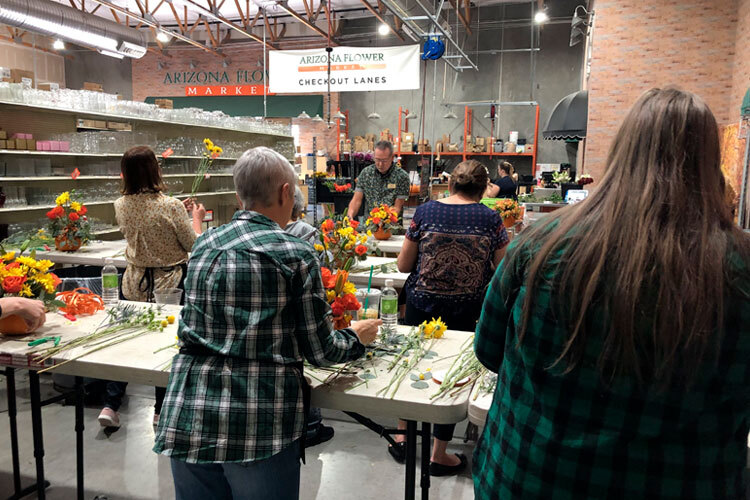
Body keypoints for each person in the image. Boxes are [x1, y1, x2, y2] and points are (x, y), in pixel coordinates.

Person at [473, 88, 750, 499]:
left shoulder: (542, 244)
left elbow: (489, 350)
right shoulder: (739, 270)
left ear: (622, 151)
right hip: (682, 481)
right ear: (710, 164)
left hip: (531, 475)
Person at [153, 147, 381, 499]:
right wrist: (357, 338)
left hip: (189, 412)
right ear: (286, 192)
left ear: (238, 194)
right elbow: (321, 352)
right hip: (258, 423)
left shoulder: (204, 245)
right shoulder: (295, 252)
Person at [389, 160, 509, 475]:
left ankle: (402, 435)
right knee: (450, 377)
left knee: (412, 364)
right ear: (483, 189)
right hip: (465, 310)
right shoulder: (491, 218)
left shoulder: (426, 212)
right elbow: (504, 270)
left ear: (451, 185)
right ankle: (438, 454)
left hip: (421, 305)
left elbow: (403, 265)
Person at [98, 146, 205, 429]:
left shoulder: (120, 205)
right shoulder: (169, 205)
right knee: (164, 346)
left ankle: (110, 405)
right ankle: (160, 410)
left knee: (124, 342)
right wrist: (194, 218)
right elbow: (193, 244)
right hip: (168, 284)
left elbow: (146, 221)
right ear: (154, 169)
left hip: (133, 281)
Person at [284, 185, 333, 447]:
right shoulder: (306, 236)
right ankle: (312, 426)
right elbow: (327, 266)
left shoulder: (214, 242)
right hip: (304, 314)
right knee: (308, 364)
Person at [347, 141, 410, 219]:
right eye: (377, 160)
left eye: (384, 161)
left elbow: (397, 207)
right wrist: (350, 216)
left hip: (391, 227)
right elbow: (356, 200)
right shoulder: (366, 173)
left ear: (392, 157)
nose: (380, 164)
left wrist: (384, 221)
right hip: (370, 226)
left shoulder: (401, 176)